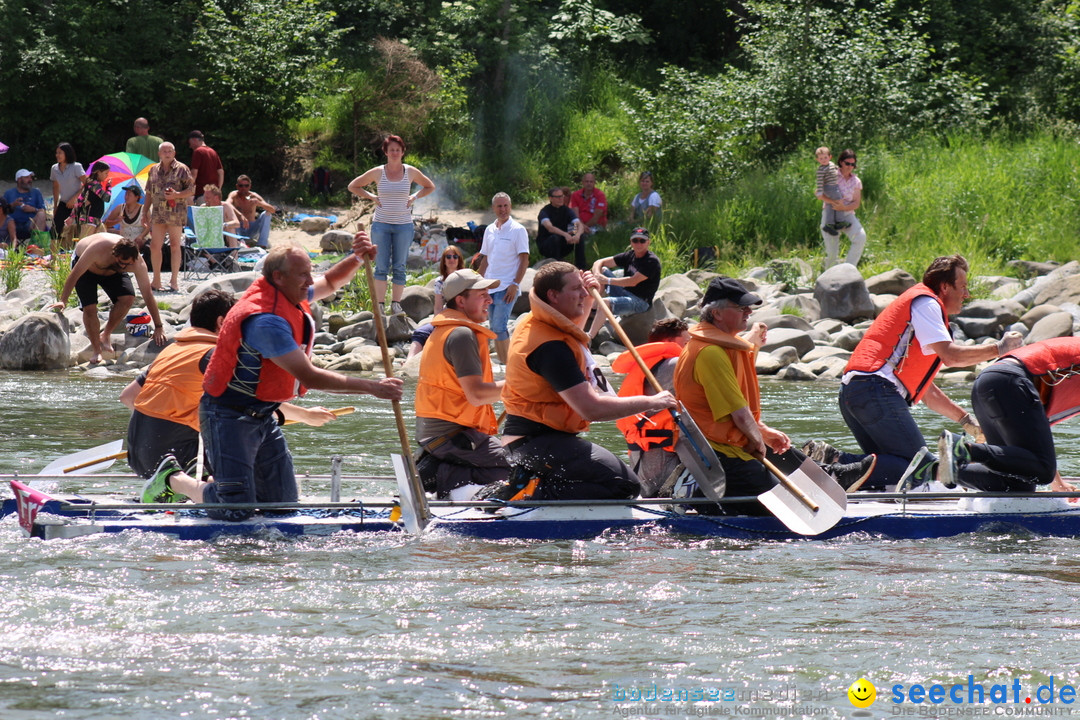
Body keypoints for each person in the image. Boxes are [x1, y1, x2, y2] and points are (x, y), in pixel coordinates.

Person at [144, 238, 404, 520]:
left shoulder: (288, 294)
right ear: (278, 277)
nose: (309, 280)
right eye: (303, 274)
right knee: (235, 508)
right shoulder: (266, 321)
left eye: (309, 272)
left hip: (263, 415)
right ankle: (172, 479)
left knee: (281, 507)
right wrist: (374, 387)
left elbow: (329, 282)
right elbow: (309, 376)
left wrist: (356, 257)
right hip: (227, 415)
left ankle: (229, 486)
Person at [675, 278, 876, 513]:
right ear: (717, 314)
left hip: (726, 448)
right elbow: (739, 414)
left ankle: (829, 476)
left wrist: (762, 432)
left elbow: (725, 413)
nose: (749, 311)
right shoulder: (710, 353)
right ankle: (693, 492)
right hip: (721, 458)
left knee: (781, 454)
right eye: (741, 308)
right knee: (792, 507)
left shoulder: (716, 346)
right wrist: (759, 443)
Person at [824, 255, 1023, 491]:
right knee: (919, 468)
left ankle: (831, 458)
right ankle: (835, 466)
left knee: (895, 469)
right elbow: (951, 356)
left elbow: (927, 391)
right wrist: (999, 348)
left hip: (855, 393)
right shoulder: (927, 304)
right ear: (945, 286)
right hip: (874, 391)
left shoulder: (920, 306)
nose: (966, 294)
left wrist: (966, 421)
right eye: (962, 287)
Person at [500, 261, 677, 500]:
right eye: (576, 289)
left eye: (584, 287)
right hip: (533, 443)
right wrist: (653, 401)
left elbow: (574, 329)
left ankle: (531, 480)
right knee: (624, 486)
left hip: (535, 440)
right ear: (553, 295)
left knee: (616, 479)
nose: (584, 293)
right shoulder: (551, 347)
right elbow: (591, 409)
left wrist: (592, 297)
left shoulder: (537, 321)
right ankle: (527, 492)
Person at [120, 289, 339, 480]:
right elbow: (256, 401)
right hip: (173, 458)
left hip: (139, 455)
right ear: (222, 322)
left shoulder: (171, 350)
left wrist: (163, 421)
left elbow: (128, 397)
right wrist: (306, 416)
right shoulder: (214, 356)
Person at [936, 337, 1080, 494]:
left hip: (991, 383)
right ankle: (964, 450)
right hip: (1009, 382)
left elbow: (1038, 439)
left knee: (1016, 483)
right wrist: (1051, 475)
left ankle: (933, 469)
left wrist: (1057, 484)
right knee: (1043, 469)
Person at [415, 269, 511, 499]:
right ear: (460, 300)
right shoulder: (461, 334)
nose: (490, 300)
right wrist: (525, 386)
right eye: (482, 295)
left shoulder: (446, 330)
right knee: (520, 469)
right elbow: (477, 395)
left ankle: (443, 474)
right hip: (451, 436)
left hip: (443, 434)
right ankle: (441, 475)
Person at [347, 134, 436, 314]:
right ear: (385, 152)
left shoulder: (410, 171)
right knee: (381, 265)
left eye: (398, 150)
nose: (394, 153)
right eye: (391, 150)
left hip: (403, 225)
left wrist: (415, 196)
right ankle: (379, 305)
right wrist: (371, 196)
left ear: (403, 152)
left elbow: (429, 186)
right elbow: (353, 186)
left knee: (399, 266)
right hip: (381, 224)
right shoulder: (378, 172)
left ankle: (395, 304)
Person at [49, 233, 167, 364]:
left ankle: (105, 335)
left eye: (127, 265)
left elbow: (148, 295)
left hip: (112, 273)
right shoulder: (98, 249)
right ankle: (96, 351)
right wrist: (63, 300)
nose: (123, 266)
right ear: (114, 254)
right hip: (87, 270)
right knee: (90, 308)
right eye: (121, 262)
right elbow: (74, 275)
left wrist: (158, 326)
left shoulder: (138, 264)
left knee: (127, 298)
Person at [612, 318, 690, 497]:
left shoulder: (645, 365)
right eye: (686, 342)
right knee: (660, 497)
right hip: (660, 448)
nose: (689, 346)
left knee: (650, 494)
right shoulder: (674, 364)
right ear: (670, 342)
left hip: (643, 446)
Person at [476, 192, 529, 365]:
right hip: (489, 287)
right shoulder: (489, 229)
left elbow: (524, 260)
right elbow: (485, 259)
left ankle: (509, 366)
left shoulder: (518, 230)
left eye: (506, 205)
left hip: (507, 286)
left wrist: (515, 284)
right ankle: (504, 363)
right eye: (499, 206)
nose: (503, 209)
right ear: (493, 208)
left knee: (499, 328)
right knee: (493, 329)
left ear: (510, 206)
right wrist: (476, 283)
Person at [587, 226, 662, 337]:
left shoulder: (651, 261)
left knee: (606, 302)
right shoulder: (630, 255)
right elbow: (600, 262)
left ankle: (590, 336)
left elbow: (632, 281)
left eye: (642, 241)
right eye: (635, 240)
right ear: (631, 242)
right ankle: (593, 307)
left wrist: (607, 280)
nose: (638, 244)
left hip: (640, 302)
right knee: (603, 270)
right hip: (625, 292)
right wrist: (597, 274)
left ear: (648, 242)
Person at [144, 141, 194, 292]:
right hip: (158, 213)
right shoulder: (153, 170)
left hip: (175, 213)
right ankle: (156, 280)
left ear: (174, 153)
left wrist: (177, 194)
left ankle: (174, 281)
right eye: (164, 151)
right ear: (159, 154)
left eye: (170, 151)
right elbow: (148, 192)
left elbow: (191, 190)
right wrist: (144, 211)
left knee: (174, 245)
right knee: (154, 246)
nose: (167, 153)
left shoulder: (182, 169)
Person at [820, 149, 867, 268]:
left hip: (847, 214)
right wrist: (835, 203)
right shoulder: (832, 174)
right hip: (830, 213)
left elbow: (856, 203)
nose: (850, 167)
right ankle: (827, 279)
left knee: (860, 237)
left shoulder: (856, 181)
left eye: (853, 164)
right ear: (841, 162)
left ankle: (848, 269)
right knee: (832, 253)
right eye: (847, 163)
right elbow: (820, 193)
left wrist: (844, 207)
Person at [536, 186, 585, 268]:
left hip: (563, 244)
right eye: (558, 197)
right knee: (555, 238)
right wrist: (565, 234)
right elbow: (550, 228)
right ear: (550, 198)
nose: (561, 199)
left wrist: (577, 235)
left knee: (581, 237)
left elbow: (579, 224)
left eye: (562, 196)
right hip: (547, 245)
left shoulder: (567, 210)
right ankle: (557, 266)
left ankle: (581, 267)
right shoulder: (545, 212)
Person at [226, 175, 278, 249]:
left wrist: (259, 203)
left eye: (246, 186)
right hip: (238, 228)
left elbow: (272, 210)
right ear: (237, 186)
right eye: (241, 186)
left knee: (267, 214)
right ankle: (236, 241)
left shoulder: (254, 195)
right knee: (227, 216)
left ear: (250, 186)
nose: (243, 188)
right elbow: (226, 204)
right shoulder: (234, 195)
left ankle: (262, 244)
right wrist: (240, 215)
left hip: (252, 228)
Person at [50, 142, 86, 236]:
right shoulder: (54, 168)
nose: (57, 155)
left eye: (60, 153)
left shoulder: (76, 166)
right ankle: (54, 250)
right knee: (55, 230)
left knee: (77, 231)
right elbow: (56, 186)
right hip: (64, 202)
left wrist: (74, 198)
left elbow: (87, 184)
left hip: (78, 204)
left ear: (67, 153)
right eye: (56, 153)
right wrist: (55, 206)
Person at [68, 161, 112, 237]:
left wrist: (72, 216)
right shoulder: (93, 184)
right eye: (106, 173)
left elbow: (80, 200)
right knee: (85, 243)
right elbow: (106, 198)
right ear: (98, 172)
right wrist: (109, 187)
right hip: (89, 219)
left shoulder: (93, 184)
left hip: (95, 219)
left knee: (101, 242)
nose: (107, 176)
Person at [3, 169, 47, 241]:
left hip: (29, 225)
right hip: (11, 225)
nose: (30, 180)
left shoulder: (36, 192)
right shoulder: (9, 193)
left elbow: (43, 211)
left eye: (30, 177)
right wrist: (13, 204)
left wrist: (33, 209)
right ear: (19, 180)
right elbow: (2, 210)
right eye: (27, 178)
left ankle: (36, 245)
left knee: (41, 214)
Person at [814, 147, 849, 237]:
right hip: (829, 187)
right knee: (839, 200)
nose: (824, 160)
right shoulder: (821, 170)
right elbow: (820, 181)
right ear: (817, 160)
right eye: (821, 158)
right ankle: (840, 221)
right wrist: (820, 192)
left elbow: (835, 169)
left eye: (825, 157)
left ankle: (829, 224)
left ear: (830, 157)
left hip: (834, 186)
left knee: (830, 204)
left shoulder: (831, 164)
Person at [187, 130, 224, 204]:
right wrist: (219, 189)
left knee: (202, 214)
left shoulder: (198, 151)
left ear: (194, 140)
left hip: (202, 193)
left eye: (190, 143)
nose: (190, 146)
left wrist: (188, 189)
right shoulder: (213, 151)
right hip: (215, 194)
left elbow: (194, 173)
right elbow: (221, 172)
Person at [433, 245, 465, 314]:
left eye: (455, 257)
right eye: (448, 257)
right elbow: (438, 307)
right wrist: (436, 323)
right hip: (448, 315)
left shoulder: (465, 278)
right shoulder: (439, 282)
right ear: (444, 261)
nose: (452, 259)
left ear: (459, 260)